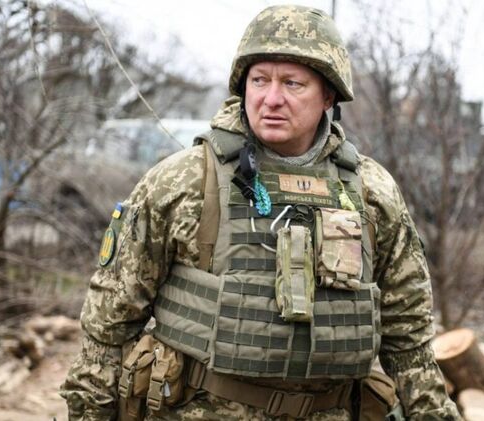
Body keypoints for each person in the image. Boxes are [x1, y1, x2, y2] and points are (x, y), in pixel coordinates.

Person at [61, 5, 462, 420]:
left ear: (328, 95)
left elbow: (409, 339)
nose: (271, 99)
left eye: (292, 83)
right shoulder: (183, 181)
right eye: (259, 80)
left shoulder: (372, 190)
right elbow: (108, 325)